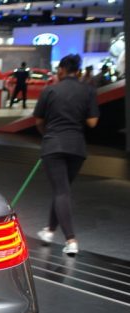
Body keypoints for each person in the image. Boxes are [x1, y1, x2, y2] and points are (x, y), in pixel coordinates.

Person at [33, 54, 99, 256]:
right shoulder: (88, 90)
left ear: (61, 70)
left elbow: (38, 121)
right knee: (62, 189)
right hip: (77, 147)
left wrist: (48, 134)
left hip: (53, 144)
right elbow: (92, 122)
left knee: (61, 191)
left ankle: (71, 240)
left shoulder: (50, 90)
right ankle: (49, 231)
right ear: (78, 71)